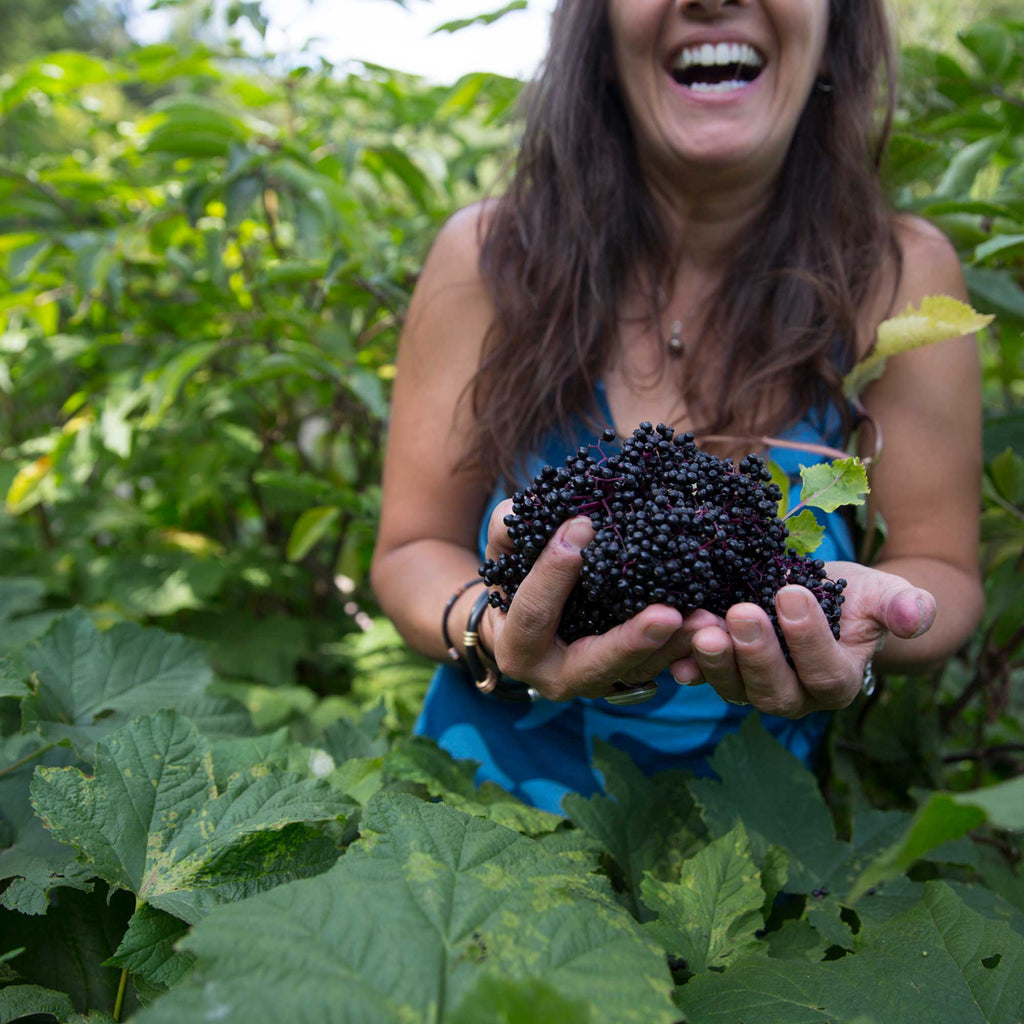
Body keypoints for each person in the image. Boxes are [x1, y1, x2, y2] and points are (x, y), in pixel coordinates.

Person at [370, 0, 984, 815]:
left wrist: (857, 628)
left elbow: (942, 568)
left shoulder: (899, 274)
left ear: (837, 25)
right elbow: (412, 547)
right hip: (477, 828)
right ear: (599, 29)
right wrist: (490, 624)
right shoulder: (488, 261)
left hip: (753, 850)